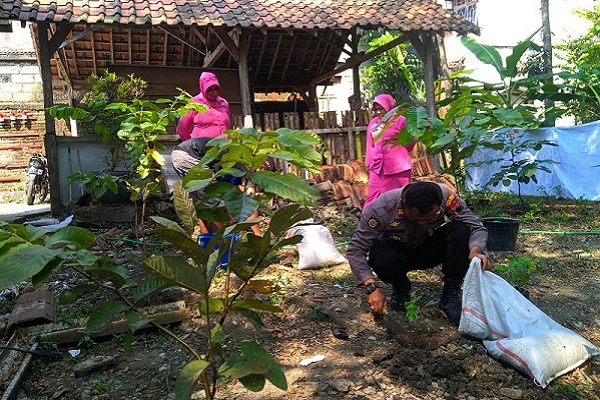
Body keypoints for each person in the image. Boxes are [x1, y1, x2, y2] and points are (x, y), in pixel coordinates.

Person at [346, 181, 492, 326]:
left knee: (461, 230)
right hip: (395, 254)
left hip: (427, 249)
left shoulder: (446, 196)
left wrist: (475, 250)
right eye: (416, 219)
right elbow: (355, 249)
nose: (422, 223)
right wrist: (371, 287)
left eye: (429, 218)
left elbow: (475, 226)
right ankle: (401, 286)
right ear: (404, 203)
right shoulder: (382, 208)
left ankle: (450, 296)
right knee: (382, 258)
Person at [363, 94, 415, 209]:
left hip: (398, 168)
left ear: (389, 106)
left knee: (398, 200)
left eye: (380, 108)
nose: (378, 112)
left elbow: (411, 140)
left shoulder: (401, 121)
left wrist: (398, 152)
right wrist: (369, 164)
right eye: (375, 109)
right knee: (372, 200)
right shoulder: (373, 123)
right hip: (378, 168)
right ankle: (368, 225)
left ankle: (397, 226)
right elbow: (370, 145)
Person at [176, 71, 231, 140]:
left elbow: (228, 127)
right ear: (203, 88)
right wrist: (192, 146)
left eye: (216, 89)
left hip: (222, 147)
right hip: (202, 148)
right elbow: (181, 129)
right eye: (209, 90)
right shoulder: (194, 103)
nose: (213, 92)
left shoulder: (223, 103)